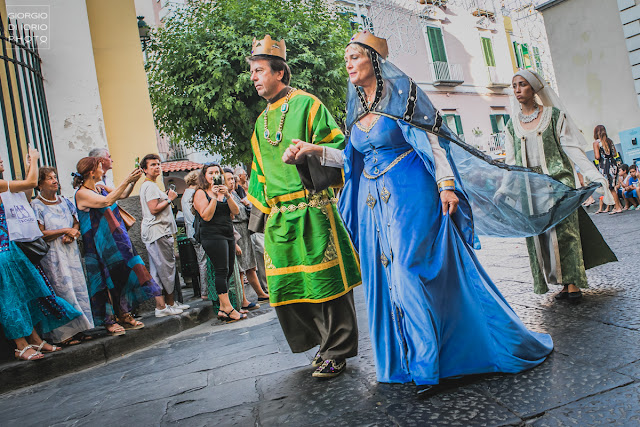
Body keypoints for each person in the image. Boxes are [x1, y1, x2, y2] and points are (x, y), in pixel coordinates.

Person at [284, 32, 556, 393]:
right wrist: (314, 151)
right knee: (387, 276)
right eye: (346, 57)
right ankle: (406, 363)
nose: (348, 63)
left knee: (409, 269)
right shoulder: (358, 108)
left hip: (410, 193)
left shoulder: (404, 94)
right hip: (373, 203)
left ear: (375, 62)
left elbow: (432, 139)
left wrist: (445, 184)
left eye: (355, 56)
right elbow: (351, 158)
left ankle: (428, 364)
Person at [247, 35, 361, 379]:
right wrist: (260, 218)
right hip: (280, 219)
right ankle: (322, 343)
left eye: (259, 70)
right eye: (252, 71)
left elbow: (340, 149)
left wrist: (308, 152)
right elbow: (258, 173)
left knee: (326, 286)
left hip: (313, 209)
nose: (253, 77)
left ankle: (336, 350)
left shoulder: (308, 105)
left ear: (280, 73)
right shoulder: (257, 123)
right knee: (287, 290)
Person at [506, 70, 617, 301]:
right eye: (515, 85)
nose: (517, 90)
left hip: (557, 185)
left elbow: (572, 149)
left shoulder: (554, 117)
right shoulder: (511, 125)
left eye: (523, 85)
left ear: (534, 88)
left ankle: (573, 283)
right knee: (542, 238)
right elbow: (510, 162)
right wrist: (504, 191)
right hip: (530, 190)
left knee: (565, 234)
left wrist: (593, 174)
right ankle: (561, 283)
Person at [0, 148, 80, 360]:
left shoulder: (4, 186)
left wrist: (29, 166)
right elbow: (31, 184)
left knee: (26, 294)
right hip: (2, 252)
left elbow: (25, 195)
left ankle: (34, 339)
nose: (1, 160)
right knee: (10, 299)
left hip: (11, 248)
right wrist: (34, 160)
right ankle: (20, 345)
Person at [74, 157, 168, 336]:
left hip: (115, 240)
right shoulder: (82, 193)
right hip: (98, 245)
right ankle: (109, 321)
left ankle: (124, 314)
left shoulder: (99, 188)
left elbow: (122, 195)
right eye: (100, 168)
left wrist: (132, 182)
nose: (103, 170)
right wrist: (126, 179)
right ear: (91, 172)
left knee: (123, 274)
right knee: (104, 280)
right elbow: (106, 202)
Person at [31, 167, 94, 345]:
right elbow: (40, 233)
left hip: (70, 251)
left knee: (77, 288)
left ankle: (81, 328)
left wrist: (72, 232)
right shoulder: (37, 205)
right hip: (53, 255)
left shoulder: (65, 201)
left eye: (55, 177)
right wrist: (64, 230)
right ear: (40, 184)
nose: (54, 180)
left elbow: (76, 221)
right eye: (49, 178)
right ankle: (63, 335)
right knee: (61, 290)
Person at [193, 163, 247, 322]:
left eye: (217, 172)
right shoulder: (200, 193)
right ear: (205, 176)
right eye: (211, 173)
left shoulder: (225, 191)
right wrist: (215, 197)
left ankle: (223, 309)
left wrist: (228, 195)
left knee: (229, 269)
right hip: (212, 236)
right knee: (221, 270)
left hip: (228, 233)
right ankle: (228, 307)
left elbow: (236, 212)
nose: (214, 175)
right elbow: (206, 216)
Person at [139, 154, 189, 314]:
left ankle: (169, 304)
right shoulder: (149, 187)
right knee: (163, 270)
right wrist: (169, 199)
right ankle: (161, 306)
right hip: (157, 232)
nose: (157, 167)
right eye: (152, 164)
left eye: (158, 164)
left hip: (159, 232)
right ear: (144, 169)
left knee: (163, 270)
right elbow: (154, 209)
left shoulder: (152, 186)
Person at [224, 168, 268, 310]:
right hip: (236, 231)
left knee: (250, 265)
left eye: (232, 179)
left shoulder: (235, 193)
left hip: (245, 229)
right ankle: (243, 300)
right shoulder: (225, 197)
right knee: (241, 267)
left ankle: (260, 293)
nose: (231, 182)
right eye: (228, 179)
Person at [181, 170, 209, 300]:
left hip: (191, 232)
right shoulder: (194, 194)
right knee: (203, 261)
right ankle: (205, 291)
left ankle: (204, 291)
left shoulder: (184, 195)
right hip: (198, 231)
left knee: (201, 260)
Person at [593, 125, 622, 214]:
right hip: (613, 165)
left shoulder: (596, 143)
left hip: (605, 167)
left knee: (610, 188)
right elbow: (614, 153)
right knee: (612, 187)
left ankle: (617, 207)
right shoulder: (610, 141)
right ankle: (617, 206)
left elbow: (597, 157)